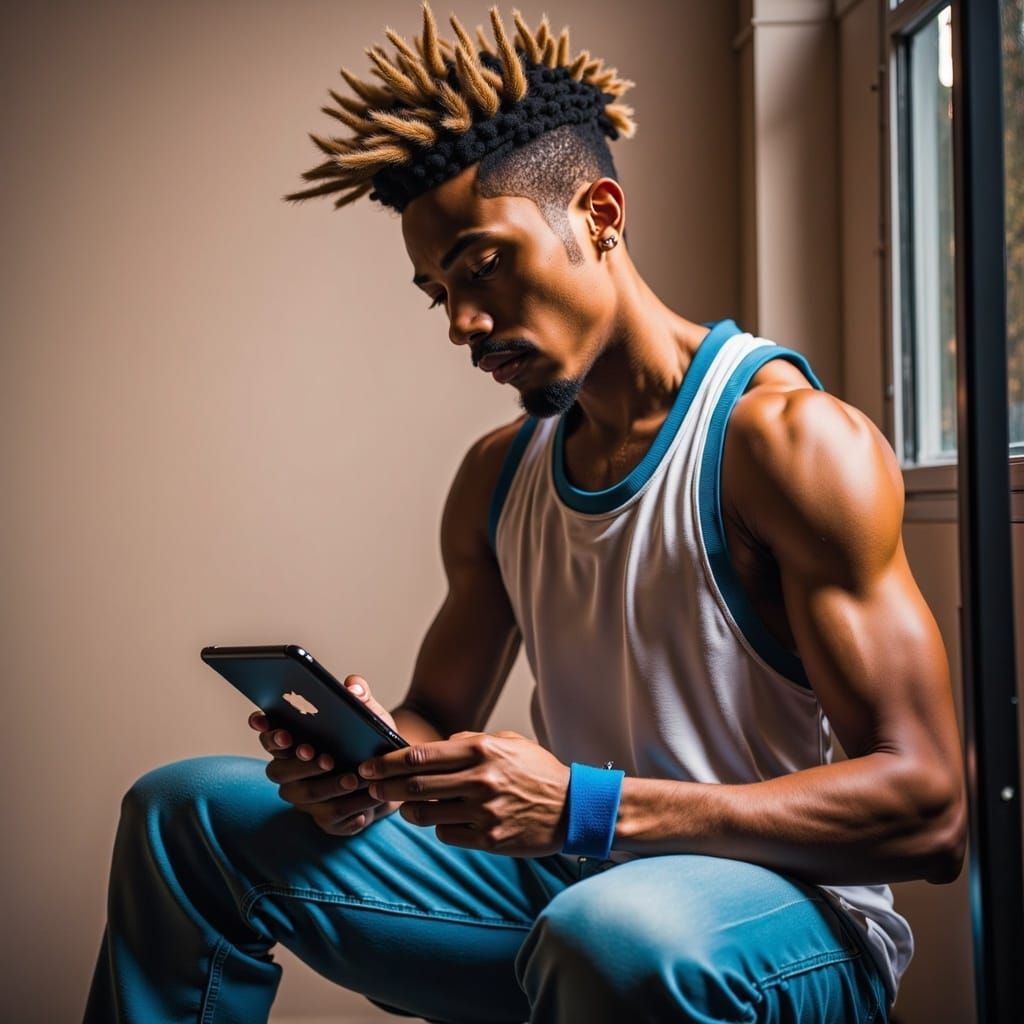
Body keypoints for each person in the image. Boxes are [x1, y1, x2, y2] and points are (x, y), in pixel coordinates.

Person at [83, 4, 967, 1022]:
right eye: (436, 292)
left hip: (785, 919)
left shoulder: (788, 446)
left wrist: (585, 808)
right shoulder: (501, 473)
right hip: (575, 888)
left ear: (597, 212)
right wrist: (367, 761)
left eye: (481, 265)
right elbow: (435, 715)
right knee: (183, 810)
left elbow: (929, 809)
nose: (461, 322)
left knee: (612, 936)